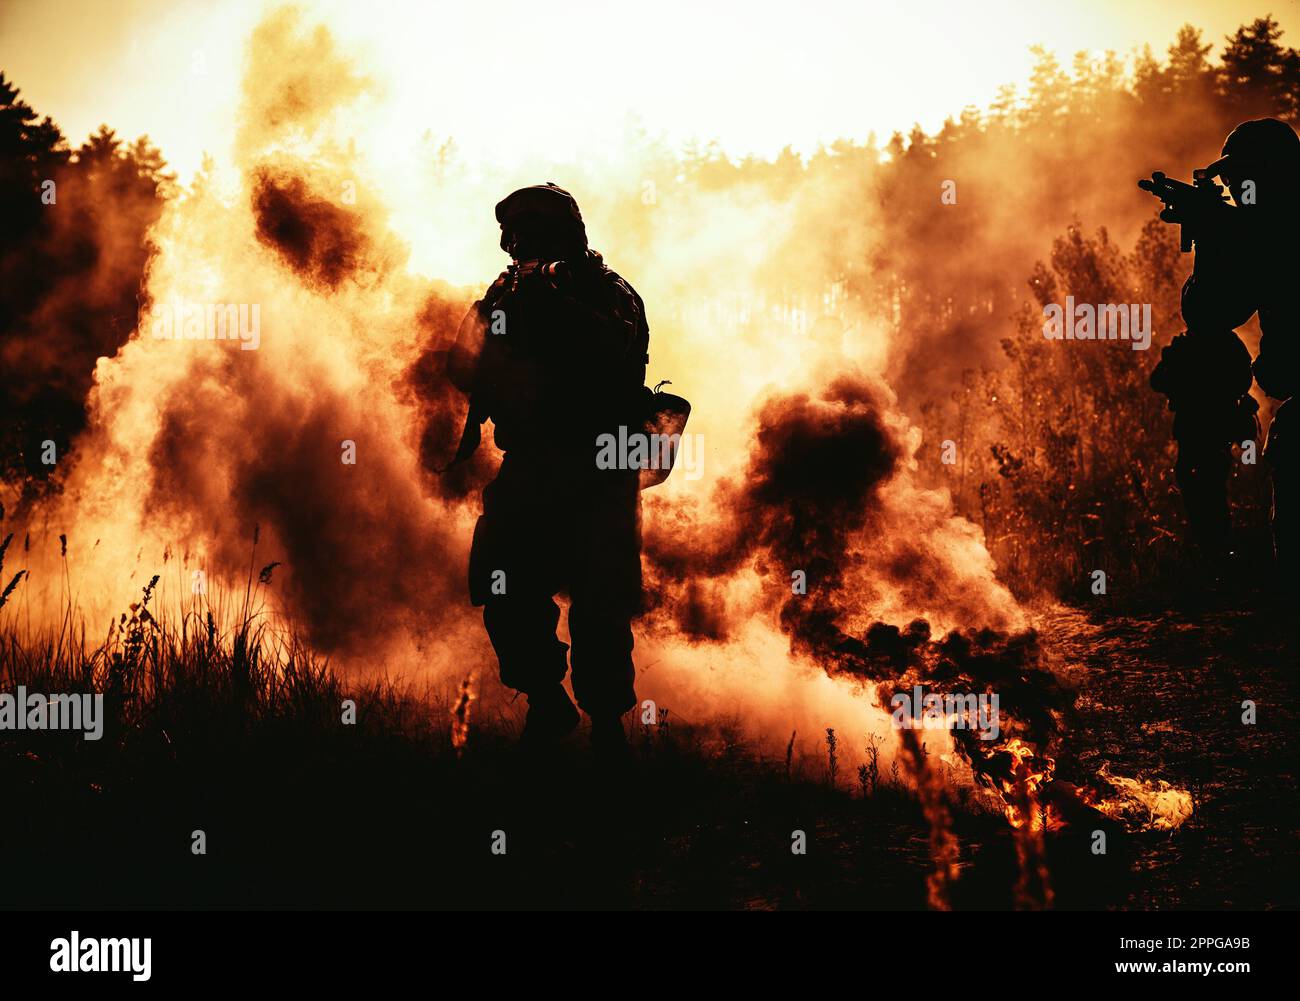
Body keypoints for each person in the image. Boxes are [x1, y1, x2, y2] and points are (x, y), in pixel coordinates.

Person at [446, 183, 649, 755]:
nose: (512, 247)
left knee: (600, 604)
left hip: (599, 472)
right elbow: (462, 368)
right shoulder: (507, 292)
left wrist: (551, 302)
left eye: (524, 235)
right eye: (511, 237)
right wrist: (494, 316)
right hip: (530, 467)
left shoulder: (607, 292)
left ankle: (608, 729)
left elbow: (613, 354)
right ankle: (546, 701)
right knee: (504, 588)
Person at [1150, 118, 1300, 580]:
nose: (1234, 190)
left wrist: (1216, 238)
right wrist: (1222, 234)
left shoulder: (1274, 232)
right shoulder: (1269, 228)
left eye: (1240, 180)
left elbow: (1210, 312)